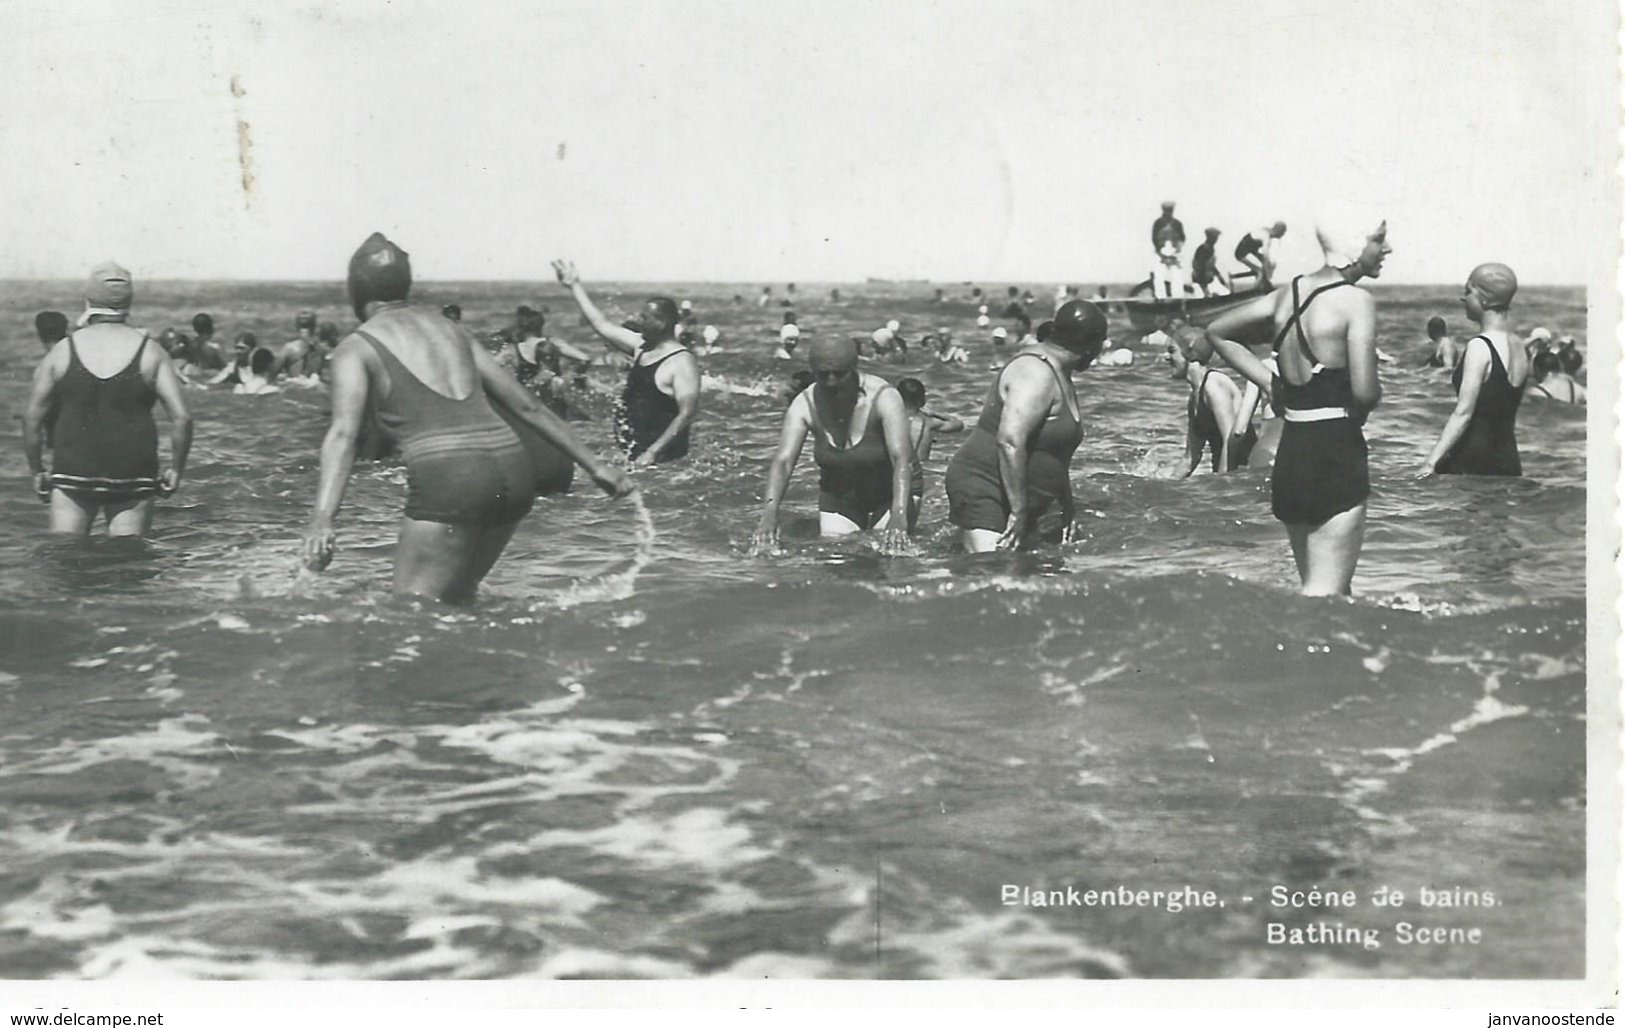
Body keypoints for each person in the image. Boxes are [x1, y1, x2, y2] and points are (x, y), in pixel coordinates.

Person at [304, 234, 631, 603]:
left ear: (354, 291)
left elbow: (343, 435)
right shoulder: (452, 331)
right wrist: (596, 466)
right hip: (514, 469)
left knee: (410, 615)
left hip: (452, 478)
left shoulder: (356, 348)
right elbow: (528, 407)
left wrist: (322, 519)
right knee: (459, 600)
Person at [1205, 208, 1388, 596]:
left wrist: (1270, 382)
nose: (1386, 248)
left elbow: (1218, 332)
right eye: (1378, 239)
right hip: (1335, 448)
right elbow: (1365, 393)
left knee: (1320, 587)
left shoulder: (1288, 294)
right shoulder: (1356, 301)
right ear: (1354, 246)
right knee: (1327, 596)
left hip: (1293, 452)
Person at [22, 261, 192, 538]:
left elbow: (32, 420)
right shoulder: (151, 351)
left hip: (72, 469)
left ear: (88, 298)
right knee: (129, 564)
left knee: (67, 561)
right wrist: (176, 469)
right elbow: (183, 418)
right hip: (133, 472)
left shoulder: (63, 351)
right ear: (129, 301)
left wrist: (37, 470)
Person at [944, 300, 1105, 553]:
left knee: (1033, 574)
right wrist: (1018, 514)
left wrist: (1067, 506)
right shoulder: (1035, 372)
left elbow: (1055, 454)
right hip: (986, 488)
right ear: (1093, 345)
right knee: (997, 575)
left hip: (1018, 496)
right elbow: (1009, 441)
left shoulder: (1061, 373)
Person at [751, 337, 917, 553]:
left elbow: (901, 460)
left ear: (854, 369)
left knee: (891, 556)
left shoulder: (884, 397)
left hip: (891, 492)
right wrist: (769, 514)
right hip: (840, 493)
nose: (831, 382)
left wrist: (899, 515)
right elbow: (783, 462)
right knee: (835, 557)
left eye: (839, 374)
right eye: (822, 375)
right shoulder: (804, 404)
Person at [552, 260, 700, 465]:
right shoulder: (641, 346)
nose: (638, 321)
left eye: (644, 317)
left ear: (662, 323)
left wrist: (653, 452)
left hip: (666, 462)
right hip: (636, 456)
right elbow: (601, 324)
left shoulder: (682, 363)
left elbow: (688, 413)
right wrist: (574, 285)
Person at [1421, 263, 1529, 477]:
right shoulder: (1520, 346)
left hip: (1474, 459)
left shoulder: (1479, 346)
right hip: (1509, 461)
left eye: (1468, 291)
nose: (1464, 299)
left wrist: (1429, 463)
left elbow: (1463, 414)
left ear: (1485, 299)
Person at [1166, 329, 1254, 475]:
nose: (1166, 357)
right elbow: (1191, 457)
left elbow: (1231, 440)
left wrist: (1222, 484)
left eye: (1172, 351)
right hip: (1226, 476)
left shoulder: (1213, 385)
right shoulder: (1194, 398)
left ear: (1191, 353)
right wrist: (1165, 488)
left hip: (1242, 477)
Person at [896, 377, 965, 464]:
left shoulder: (890, 419)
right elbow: (958, 425)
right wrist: (935, 413)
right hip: (921, 468)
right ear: (922, 400)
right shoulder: (929, 423)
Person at [1234, 222, 1287, 288]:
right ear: (1278, 232)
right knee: (1260, 271)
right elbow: (1266, 255)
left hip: (1250, 252)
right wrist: (1267, 272)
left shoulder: (1266, 231)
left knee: (1273, 263)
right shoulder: (1266, 237)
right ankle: (1254, 290)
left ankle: (1264, 282)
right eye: (1282, 233)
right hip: (1242, 253)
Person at [273, 310, 323, 378]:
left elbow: (273, 372)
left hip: (295, 386)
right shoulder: (322, 349)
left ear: (297, 326)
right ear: (314, 326)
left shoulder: (289, 348)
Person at [1191, 228, 1231, 297]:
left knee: (1224, 290)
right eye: (1214, 237)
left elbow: (1211, 266)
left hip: (1207, 277)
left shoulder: (1211, 249)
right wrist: (1205, 289)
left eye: (1216, 238)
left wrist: (1220, 277)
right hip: (1200, 277)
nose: (1216, 240)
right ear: (1209, 237)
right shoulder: (1203, 249)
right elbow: (1201, 267)